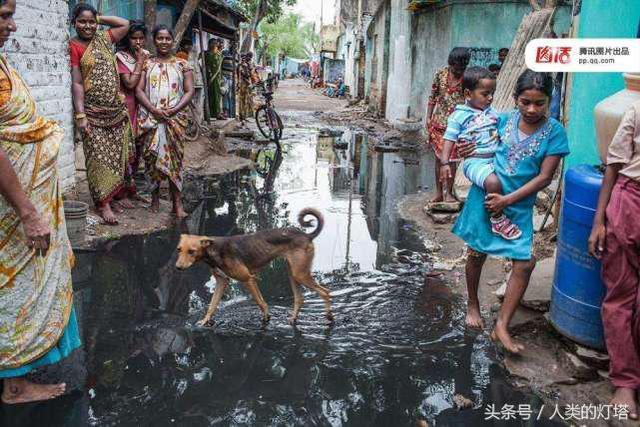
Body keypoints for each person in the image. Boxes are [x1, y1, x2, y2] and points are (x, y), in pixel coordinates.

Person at [453, 70, 569, 353]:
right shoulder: (499, 119)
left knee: (525, 263)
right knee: (476, 253)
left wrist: (508, 201)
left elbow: (544, 178)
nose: (531, 109)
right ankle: (472, 303)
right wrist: (468, 146)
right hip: (487, 199)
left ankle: (502, 325)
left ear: (549, 101)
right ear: (516, 99)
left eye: (539, 103)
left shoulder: (555, 132)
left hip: (517, 205)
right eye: (525, 101)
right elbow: (476, 146)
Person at [0, 0, 80, 404]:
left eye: (12, 14)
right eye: (3, 16)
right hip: (10, 214)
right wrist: (29, 212)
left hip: (16, 208)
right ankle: (13, 387)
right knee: (12, 290)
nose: (12, 26)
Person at [588, 100, 640, 419]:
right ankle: (625, 383)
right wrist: (598, 222)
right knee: (620, 298)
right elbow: (614, 165)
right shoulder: (636, 110)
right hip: (630, 204)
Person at [441, 66, 522, 241]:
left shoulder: (492, 113)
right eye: (485, 94)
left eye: (492, 93)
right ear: (468, 94)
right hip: (475, 162)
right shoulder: (459, 116)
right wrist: (445, 163)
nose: (490, 98)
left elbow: (505, 129)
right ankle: (497, 220)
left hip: (494, 160)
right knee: (493, 183)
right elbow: (449, 138)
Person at [70, 4, 133, 225]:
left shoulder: (105, 38)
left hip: (115, 110)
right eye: (82, 21)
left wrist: (99, 17)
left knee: (116, 156)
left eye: (91, 21)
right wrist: (80, 115)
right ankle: (103, 203)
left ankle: (115, 195)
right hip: (92, 113)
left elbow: (125, 24)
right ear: (73, 23)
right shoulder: (74, 46)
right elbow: (77, 83)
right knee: (97, 159)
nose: (87, 26)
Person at [136, 25, 195, 219]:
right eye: (159, 38)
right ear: (154, 40)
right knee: (151, 160)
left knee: (175, 161)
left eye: (167, 38)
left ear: (172, 41)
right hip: (151, 119)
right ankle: (154, 199)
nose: (163, 42)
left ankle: (177, 203)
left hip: (174, 120)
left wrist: (173, 110)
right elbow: (139, 91)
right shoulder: (147, 64)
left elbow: (189, 91)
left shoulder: (182, 64)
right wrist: (154, 110)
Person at [426, 47, 470, 203]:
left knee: (451, 161)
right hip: (438, 124)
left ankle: (449, 193)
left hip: (457, 126)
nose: (458, 70)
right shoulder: (440, 74)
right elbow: (433, 97)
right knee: (439, 160)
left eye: (461, 67)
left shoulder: (468, 78)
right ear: (450, 63)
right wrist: (428, 118)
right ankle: (438, 193)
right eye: (455, 67)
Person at [115, 20, 149, 203]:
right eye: (134, 38)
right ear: (127, 39)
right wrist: (141, 61)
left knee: (138, 150)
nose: (138, 42)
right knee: (126, 151)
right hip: (127, 109)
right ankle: (121, 194)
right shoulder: (121, 57)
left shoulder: (146, 56)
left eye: (141, 38)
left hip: (142, 108)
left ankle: (132, 189)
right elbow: (129, 83)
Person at [237, 52, 259, 123]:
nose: (249, 58)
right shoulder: (242, 65)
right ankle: (242, 116)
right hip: (243, 84)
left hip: (248, 84)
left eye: (251, 57)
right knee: (243, 101)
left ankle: (246, 116)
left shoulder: (249, 64)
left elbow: (252, 73)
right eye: (248, 57)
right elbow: (244, 74)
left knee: (248, 100)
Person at [204, 39, 223, 120]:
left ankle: (217, 113)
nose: (215, 45)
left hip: (217, 78)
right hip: (210, 78)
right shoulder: (207, 54)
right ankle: (211, 113)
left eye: (215, 44)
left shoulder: (218, 54)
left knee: (217, 95)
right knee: (210, 95)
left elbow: (219, 67)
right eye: (213, 43)